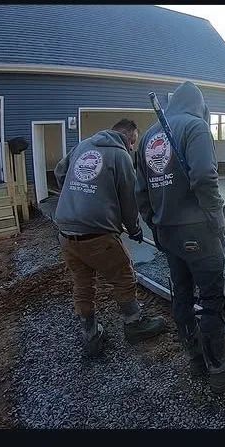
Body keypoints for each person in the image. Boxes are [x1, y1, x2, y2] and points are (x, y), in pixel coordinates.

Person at [135, 81, 225, 393]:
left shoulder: (149, 135)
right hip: (197, 231)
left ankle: (197, 359)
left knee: (183, 295)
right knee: (213, 297)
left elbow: (140, 192)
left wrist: (155, 223)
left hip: (168, 232)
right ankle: (220, 370)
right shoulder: (195, 127)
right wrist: (216, 215)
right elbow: (203, 175)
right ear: (200, 106)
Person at [54, 122, 167, 357]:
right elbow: (129, 198)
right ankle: (134, 324)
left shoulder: (83, 145)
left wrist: (75, 200)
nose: (134, 145)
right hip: (96, 233)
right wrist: (135, 228)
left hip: (65, 231)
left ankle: (90, 334)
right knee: (124, 275)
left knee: (83, 282)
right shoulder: (120, 156)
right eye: (134, 140)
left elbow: (59, 172)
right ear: (126, 136)